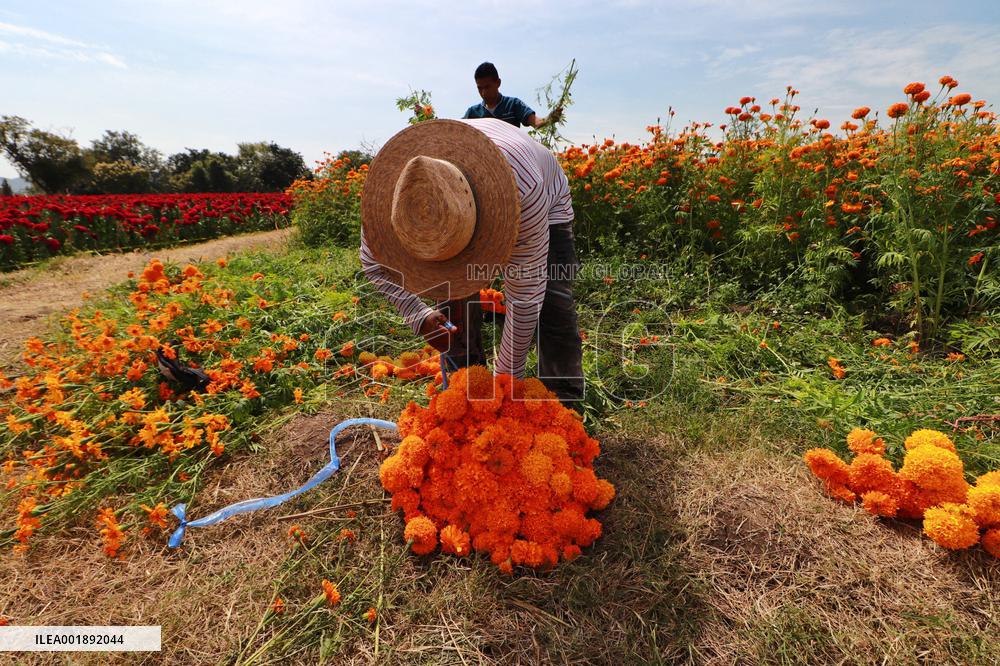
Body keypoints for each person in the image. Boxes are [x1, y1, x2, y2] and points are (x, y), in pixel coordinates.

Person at [359, 118, 584, 407]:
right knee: (451, 297)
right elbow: (373, 263)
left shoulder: (524, 189)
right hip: (464, 194)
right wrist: (418, 313)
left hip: (544, 195)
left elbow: (526, 295)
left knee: (552, 301)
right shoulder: (395, 191)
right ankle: (462, 389)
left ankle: (562, 401)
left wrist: (505, 382)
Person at [462, 62, 562, 130]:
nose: (483, 93)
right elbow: (456, 129)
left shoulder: (513, 104)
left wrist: (549, 119)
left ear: (498, 83)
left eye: (487, 87)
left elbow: (536, 122)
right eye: (480, 88)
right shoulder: (473, 113)